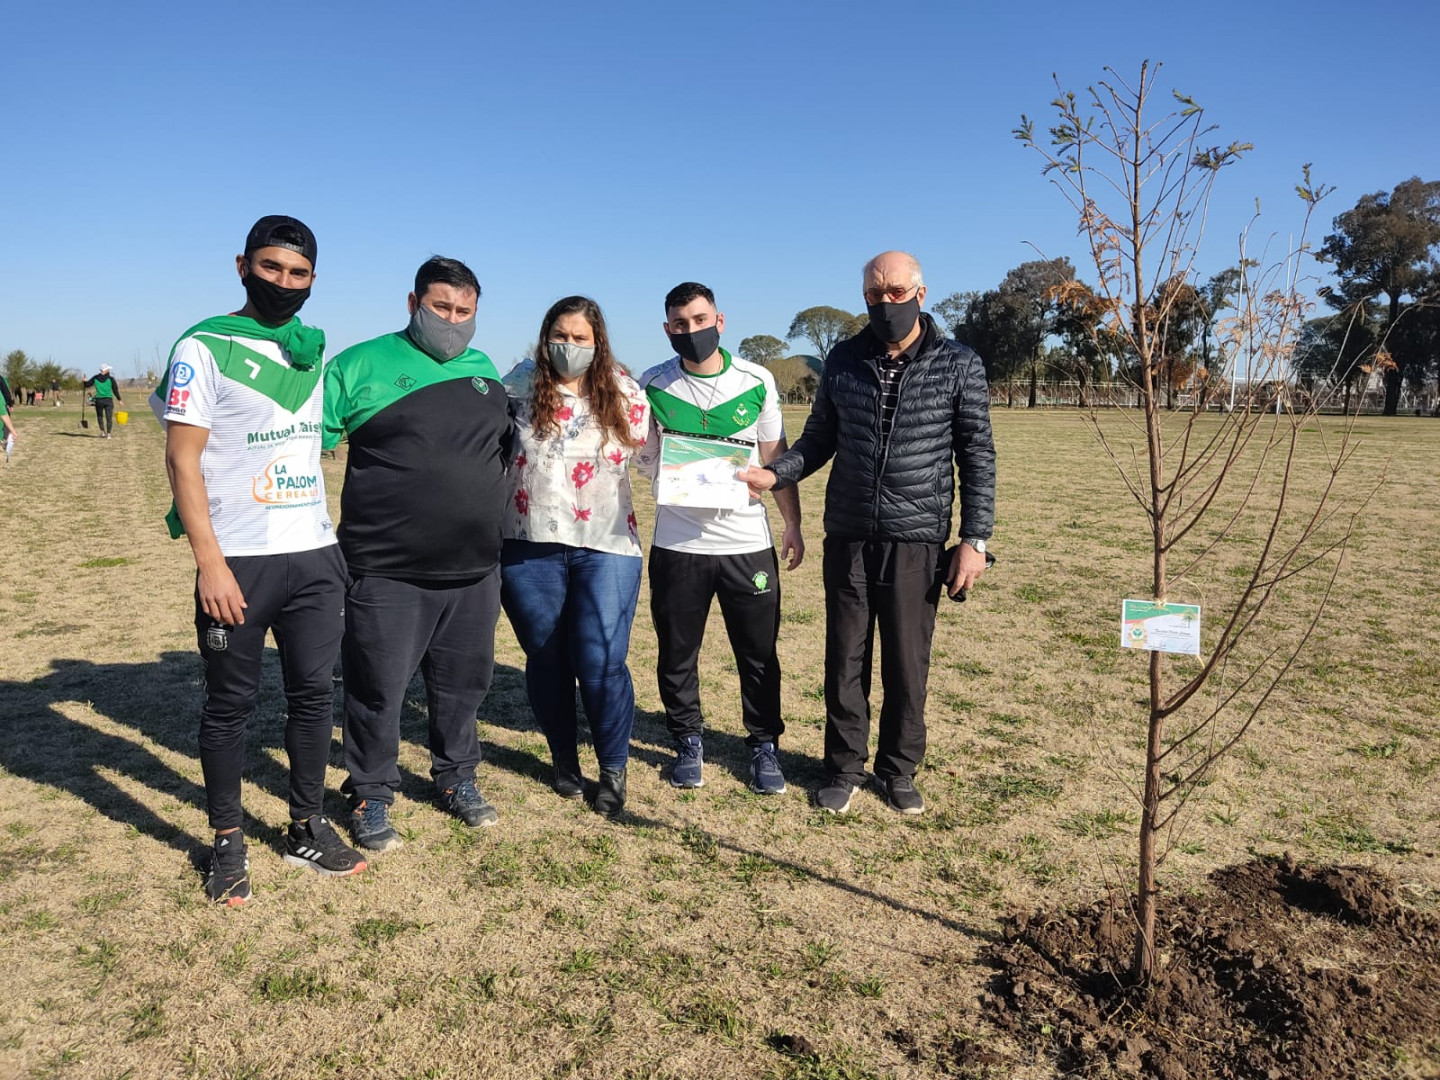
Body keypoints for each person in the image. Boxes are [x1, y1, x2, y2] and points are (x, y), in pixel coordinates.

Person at [151, 214, 366, 905]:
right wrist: (209, 563)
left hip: (314, 555)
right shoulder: (204, 346)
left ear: (313, 280)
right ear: (242, 266)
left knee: (314, 696)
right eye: (271, 267)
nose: (284, 282)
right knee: (230, 705)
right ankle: (227, 839)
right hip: (239, 561)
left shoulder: (311, 351)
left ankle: (306, 824)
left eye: (298, 273)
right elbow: (181, 460)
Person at [739, 251, 995, 816]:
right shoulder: (844, 359)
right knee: (844, 659)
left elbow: (977, 455)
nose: (886, 304)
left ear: (920, 294)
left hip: (917, 537)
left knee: (907, 663)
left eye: (896, 293)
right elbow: (818, 439)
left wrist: (974, 540)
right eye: (875, 295)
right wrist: (776, 473)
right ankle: (844, 766)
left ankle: (898, 769)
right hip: (849, 534)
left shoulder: (958, 364)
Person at [323, 256, 510, 852]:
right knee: (377, 687)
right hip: (387, 570)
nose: (452, 321)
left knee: (464, 685)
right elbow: (302, 444)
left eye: (464, 311)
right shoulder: (357, 364)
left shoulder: (485, 371)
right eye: (440, 308)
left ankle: (457, 777)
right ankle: (370, 792)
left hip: (475, 569)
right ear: (413, 304)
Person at [637, 282, 803, 794]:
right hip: (678, 545)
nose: (691, 331)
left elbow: (775, 457)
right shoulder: (652, 383)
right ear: (667, 329)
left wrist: (793, 523)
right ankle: (687, 740)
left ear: (720, 321)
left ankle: (763, 745)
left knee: (758, 653)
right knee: (677, 652)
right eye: (680, 324)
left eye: (700, 320)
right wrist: (661, 468)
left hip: (746, 543)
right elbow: (644, 456)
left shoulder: (757, 379)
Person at [502, 296, 649, 818]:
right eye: (560, 336)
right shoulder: (517, 387)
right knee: (546, 658)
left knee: (601, 661)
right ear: (545, 339)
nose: (569, 345)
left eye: (580, 337)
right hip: (529, 545)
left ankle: (612, 767)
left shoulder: (626, 393)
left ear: (598, 341)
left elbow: (656, 457)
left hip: (607, 545)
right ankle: (564, 759)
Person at [83, 365, 123, 437]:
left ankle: (103, 432)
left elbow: (87, 385)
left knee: (100, 416)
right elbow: (115, 390)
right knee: (109, 418)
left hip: (99, 400)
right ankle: (109, 434)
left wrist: (84, 381)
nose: (109, 370)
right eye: (108, 369)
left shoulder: (95, 378)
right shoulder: (111, 379)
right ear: (106, 370)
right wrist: (119, 399)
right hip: (108, 400)